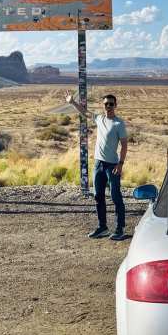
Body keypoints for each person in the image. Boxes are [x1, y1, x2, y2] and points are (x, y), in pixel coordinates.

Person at [66, 91, 128, 240]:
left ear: (115, 105)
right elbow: (85, 112)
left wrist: (120, 164)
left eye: (111, 104)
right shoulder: (99, 118)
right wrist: (72, 102)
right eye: (106, 104)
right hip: (98, 164)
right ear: (103, 105)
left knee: (115, 196)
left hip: (112, 165)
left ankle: (120, 228)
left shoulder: (119, 124)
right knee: (98, 196)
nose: (108, 106)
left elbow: (125, 145)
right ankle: (103, 227)